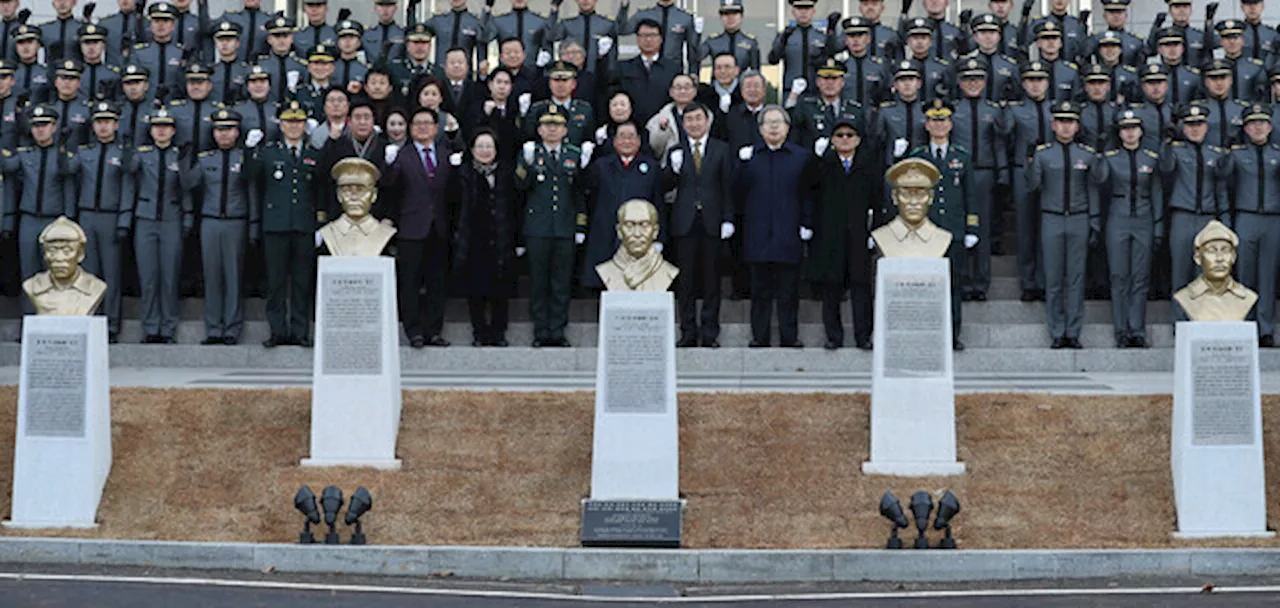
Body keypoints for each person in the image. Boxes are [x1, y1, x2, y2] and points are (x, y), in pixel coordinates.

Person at [734, 105, 811, 348]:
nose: (774, 127)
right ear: (760, 129)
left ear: (788, 128)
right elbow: (737, 191)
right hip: (758, 233)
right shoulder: (750, 156)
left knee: (789, 291)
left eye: (779, 122)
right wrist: (742, 165)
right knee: (760, 292)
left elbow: (808, 193)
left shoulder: (800, 156)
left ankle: (789, 336)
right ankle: (760, 337)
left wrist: (806, 223)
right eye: (769, 123)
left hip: (788, 231)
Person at [380, 107, 458, 348]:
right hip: (411, 227)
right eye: (417, 123)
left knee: (437, 282)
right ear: (411, 128)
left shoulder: (447, 155)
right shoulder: (401, 155)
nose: (422, 127)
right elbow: (388, 188)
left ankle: (434, 331)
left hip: (439, 227)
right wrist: (388, 165)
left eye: (427, 123)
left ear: (436, 128)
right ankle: (413, 331)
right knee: (410, 282)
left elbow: (454, 194)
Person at [182, 109, 260, 345]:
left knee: (233, 276)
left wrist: (253, 224)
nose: (224, 135)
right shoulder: (206, 158)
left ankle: (232, 329)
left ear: (237, 132)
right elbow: (189, 184)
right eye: (219, 130)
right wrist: (185, 160)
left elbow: (252, 193)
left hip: (236, 222)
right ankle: (214, 328)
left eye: (228, 130)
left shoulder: (244, 157)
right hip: (211, 221)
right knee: (212, 276)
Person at [246, 100, 319, 348]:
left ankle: (300, 331)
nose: (294, 126)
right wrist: (249, 150)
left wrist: (319, 223)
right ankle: (277, 330)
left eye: (298, 122)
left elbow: (320, 191)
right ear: (281, 124)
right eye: (289, 121)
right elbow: (248, 176)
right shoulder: (268, 152)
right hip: (275, 226)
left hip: (303, 226)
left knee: (302, 283)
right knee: (275, 282)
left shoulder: (312, 154)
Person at [1028, 101, 1099, 349]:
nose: (1066, 127)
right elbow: (1033, 187)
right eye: (1061, 122)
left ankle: (1074, 331)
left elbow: (1094, 189)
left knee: (1076, 279)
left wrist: (1094, 222)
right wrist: (1030, 163)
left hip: (1079, 217)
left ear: (1077, 125)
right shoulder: (1043, 153)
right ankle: (1057, 330)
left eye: (1070, 122)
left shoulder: (1087, 154)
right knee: (1054, 277)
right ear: (1053, 124)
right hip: (1052, 217)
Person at [515, 105, 585, 347]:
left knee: (561, 282)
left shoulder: (574, 154)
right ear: (539, 129)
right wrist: (527, 165)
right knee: (538, 281)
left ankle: (558, 331)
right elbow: (519, 187)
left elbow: (579, 194)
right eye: (547, 125)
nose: (552, 130)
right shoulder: (531, 152)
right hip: (537, 229)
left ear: (565, 130)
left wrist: (580, 226)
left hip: (564, 228)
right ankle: (540, 331)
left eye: (557, 125)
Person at [910, 99, 978, 350]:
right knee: (924, 285)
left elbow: (970, 194)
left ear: (950, 124)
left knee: (952, 285)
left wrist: (972, 227)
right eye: (934, 120)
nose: (939, 125)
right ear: (926, 125)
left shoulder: (961, 156)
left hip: (953, 230)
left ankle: (952, 335)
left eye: (943, 120)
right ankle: (925, 334)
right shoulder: (918, 156)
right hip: (925, 230)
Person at [661, 103, 730, 347]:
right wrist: (673, 169)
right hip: (684, 222)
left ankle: (710, 333)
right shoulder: (676, 151)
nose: (694, 124)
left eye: (698, 119)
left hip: (712, 221)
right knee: (686, 281)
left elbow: (727, 187)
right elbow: (664, 186)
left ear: (707, 121)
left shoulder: (722, 149)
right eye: (689, 120)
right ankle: (687, 331)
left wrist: (728, 219)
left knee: (712, 280)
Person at [807, 114, 877, 351]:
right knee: (831, 287)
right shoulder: (823, 163)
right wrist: (816, 159)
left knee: (861, 287)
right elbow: (809, 192)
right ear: (832, 140)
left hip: (859, 234)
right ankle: (833, 336)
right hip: (830, 235)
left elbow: (879, 200)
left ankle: (863, 336)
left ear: (858, 139)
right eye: (839, 135)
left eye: (850, 135)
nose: (845, 139)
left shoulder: (868, 164)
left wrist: (874, 232)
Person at [121, 107, 190, 344]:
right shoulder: (143, 154)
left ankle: (168, 327)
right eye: (156, 127)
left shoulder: (178, 154)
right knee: (148, 276)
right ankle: (151, 326)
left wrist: (188, 218)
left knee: (169, 276)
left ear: (173, 130)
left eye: (166, 127)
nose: (161, 131)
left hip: (172, 218)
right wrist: (130, 146)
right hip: (145, 218)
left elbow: (186, 190)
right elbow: (128, 171)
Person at [1093, 110, 1161, 348]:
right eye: (1125, 128)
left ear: (1141, 131)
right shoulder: (1111, 157)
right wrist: (1100, 155)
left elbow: (1157, 193)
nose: (1130, 132)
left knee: (1140, 278)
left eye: (1134, 128)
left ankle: (1137, 329)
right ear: (1119, 132)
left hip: (1144, 217)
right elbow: (1099, 180)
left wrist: (1159, 224)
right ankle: (1121, 329)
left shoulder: (1151, 157)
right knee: (1119, 275)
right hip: (1118, 216)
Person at [2, 105, 77, 316]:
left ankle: (52, 318)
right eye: (36, 126)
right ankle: (29, 320)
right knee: (29, 273)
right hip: (29, 219)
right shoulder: (26, 154)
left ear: (54, 127)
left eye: (44, 126)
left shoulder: (62, 155)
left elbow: (69, 184)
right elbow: (8, 167)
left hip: (54, 220)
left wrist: (68, 219)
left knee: (55, 272)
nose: (40, 130)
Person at [1161, 103, 1232, 318]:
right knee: (1181, 273)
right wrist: (1166, 143)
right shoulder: (1176, 150)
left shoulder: (1215, 153)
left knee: (1208, 274)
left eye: (1199, 124)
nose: (1195, 129)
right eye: (1190, 124)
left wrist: (1225, 221)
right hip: (1183, 215)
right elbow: (1165, 168)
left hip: (1208, 219)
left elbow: (1222, 188)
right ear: (1183, 127)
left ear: (1206, 127)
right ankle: (1180, 322)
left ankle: (1204, 320)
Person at [71, 100, 130, 342]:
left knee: (111, 274)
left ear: (116, 125)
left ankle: (112, 324)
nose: (103, 127)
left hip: (111, 216)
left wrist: (124, 220)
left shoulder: (122, 153)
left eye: (108, 122)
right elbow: (68, 174)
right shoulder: (85, 152)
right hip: (87, 215)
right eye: (99, 122)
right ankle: (89, 320)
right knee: (87, 274)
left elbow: (128, 187)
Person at [453, 128, 517, 347]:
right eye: (480, 146)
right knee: (476, 288)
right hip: (473, 238)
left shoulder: (506, 172)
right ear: (472, 149)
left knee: (501, 288)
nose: (485, 150)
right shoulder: (463, 172)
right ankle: (479, 332)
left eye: (489, 146)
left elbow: (514, 205)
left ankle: (499, 332)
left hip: (501, 235)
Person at [950, 58, 1006, 302]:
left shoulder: (994, 110)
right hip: (957, 173)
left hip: (984, 172)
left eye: (977, 79)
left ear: (984, 82)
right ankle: (961, 280)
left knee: (981, 228)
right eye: (967, 79)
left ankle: (981, 282)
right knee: (959, 228)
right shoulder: (953, 110)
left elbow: (1000, 143)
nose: (973, 84)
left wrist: (1001, 171)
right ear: (960, 83)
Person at [581, 121, 661, 289]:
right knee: (606, 282)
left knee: (639, 284)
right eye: (622, 137)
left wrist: (659, 238)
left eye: (631, 137)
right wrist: (584, 166)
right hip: (606, 233)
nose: (627, 141)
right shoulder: (601, 166)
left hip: (640, 235)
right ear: (615, 141)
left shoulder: (651, 167)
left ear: (639, 141)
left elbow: (658, 204)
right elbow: (585, 191)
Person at [1226, 103, 1280, 346]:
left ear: (1270, 126)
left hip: (1273, 217)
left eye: (1262, 123)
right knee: (1244, 274)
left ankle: (1265, 328)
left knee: (1268, 275)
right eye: (1253, 124)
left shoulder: (1277, 154)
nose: (1258, 128)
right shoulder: (1236, 154)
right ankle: (1245, 324)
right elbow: (1225, 183)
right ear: (1245, 128)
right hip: (1245, 216)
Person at [1004, 60, 1052, 301]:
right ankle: (1028, 281)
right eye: (1031, 80)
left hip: (1052, 174)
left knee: (1046, 228)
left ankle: (1045, 280)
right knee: (1025, 228)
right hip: (1022, 171)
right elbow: (1005, 135)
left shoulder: (1056, 109)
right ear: (1023, 84)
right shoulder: (1015, 109)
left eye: (1040, 80)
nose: (1036, 85)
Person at [317, 96, 389, 220]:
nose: (362, 122)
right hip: (340, 216)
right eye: (357, 117)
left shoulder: (384, 147)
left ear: (373, 121)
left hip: (375, 216)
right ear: (349, 121)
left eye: (367, 117)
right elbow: (321, 176)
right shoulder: (336, 145)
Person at [612, 18, 679, 126]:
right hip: (632, 129)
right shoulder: (623, 67)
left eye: (653, 35)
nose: (648, 40)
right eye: (643, 35)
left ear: (661, 39)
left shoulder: (673, 68)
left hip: (663, 127)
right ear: (637, 39)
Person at [790, 59, 860, 150]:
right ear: (818, 82)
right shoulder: (805, 108)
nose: (830, 83)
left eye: (834, 78)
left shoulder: (854, 109)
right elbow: (795, 139)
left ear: (842, 82)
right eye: (825, 78)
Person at [768, 0, 829, 100]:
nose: (803, 12)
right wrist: (782, 41)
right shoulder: (785, 35)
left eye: (807, 8)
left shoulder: (821, 37)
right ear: (793, 11)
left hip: (816, 92)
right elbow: (773, 59)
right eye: (799, 8)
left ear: (813, 11)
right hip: (790, 91)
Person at [618, 0, 699, 72]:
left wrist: (693, 72)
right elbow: (622, 30)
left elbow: (692, 49)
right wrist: (624, 9)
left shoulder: (685, 18)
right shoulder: (644, 15)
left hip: (673, 69)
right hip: (647, 68)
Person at [526, 61, 594, 145]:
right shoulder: (538, 109)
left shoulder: (584, 109)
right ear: (550, 84)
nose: (560, 85)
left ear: (574, 84)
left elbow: (589, 138)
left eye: (565, 80)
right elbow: (530, 137)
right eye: (556, 80)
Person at [548, 0, 619, 77]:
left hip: (599, 76)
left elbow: (613, 55)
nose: (585, 1)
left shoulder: (607, 25)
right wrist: (554, 10)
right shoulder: (568, 24)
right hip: (573, 74)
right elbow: (551, 36)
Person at [131, 3, 187, 97]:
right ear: (151, 25)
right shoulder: (139, 53)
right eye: (156, 21)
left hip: (174, 105)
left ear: (173, 26)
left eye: (165, 21)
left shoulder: (182, 53)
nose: (161, 25)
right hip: (147, 105)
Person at [483, 0, 552, 69]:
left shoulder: (540, 22)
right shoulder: (499, 21)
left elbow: (547, 50)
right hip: (506, 72)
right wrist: (487, 11)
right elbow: (484, 38)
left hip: (532, 72)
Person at [1198, 59, 1249, 149]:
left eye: (1223, 78)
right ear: (1206, 82)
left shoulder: (1242, 109)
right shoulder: (1198, 108)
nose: (1219, 83)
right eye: (1213, 79)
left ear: (1231, 80)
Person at [840, 17, 888, 109]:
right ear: (846, 41)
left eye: (860, 35)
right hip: (847, 117)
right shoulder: (841, 67)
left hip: (872, 117)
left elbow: (886, 95)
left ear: (868, 39)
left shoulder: (880, 67)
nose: (856, 40)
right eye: (851, 36)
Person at [646, 72, 696, 160]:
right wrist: (662, 130)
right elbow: (655, 149)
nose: (683, 91)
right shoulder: (658, 119)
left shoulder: (707, 116)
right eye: (678, 87)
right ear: (671, 92)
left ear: (694, 91)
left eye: (687, 87)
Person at [259, 15, 308, 104]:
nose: (281, 41)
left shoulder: (301, 65)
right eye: (277, 36)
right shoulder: (261, 64)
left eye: (285, 36)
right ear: (269, 39)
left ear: (292, 39)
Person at [425, 0, 486, 71]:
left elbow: (481, 54)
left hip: (464, 74)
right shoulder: (438, 21)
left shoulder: (475, 22)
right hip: (440, 73)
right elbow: (416, 32)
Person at [699, 0, 759, 71]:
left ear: (741, 16)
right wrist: (696, 35)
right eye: (726, 14)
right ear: (720, 17)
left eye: (735, 13)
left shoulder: (750, 42)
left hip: (742, 80)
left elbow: (756, 72)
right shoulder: (712, 41)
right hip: (718, 81)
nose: (730, 17)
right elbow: (697, 56)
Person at [231, 65, 281, 143]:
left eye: (262, 81)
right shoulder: (237, 110)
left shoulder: (278, 109)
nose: (258, 85)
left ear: (269, 86)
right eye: (253, 82)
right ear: (247, 86)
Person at [77, 24, 120, 101]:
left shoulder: (113, 74)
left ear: (103, 45)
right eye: (87, 43)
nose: (91, 47)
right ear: (81, 46)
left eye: (95, 42)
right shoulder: (75, 73)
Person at [210, 21, 249, 105]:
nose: (224, 44)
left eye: (229, 40)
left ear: (237, 44)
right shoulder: (210, 71)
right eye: (221, 40)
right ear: (215, 44)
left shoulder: (246, 70)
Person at [362, 0, 405, 65]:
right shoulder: (366, 35)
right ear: (375, 8)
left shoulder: (403, 34)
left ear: (395, 8)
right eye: (381, 5)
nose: (385, 9)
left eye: (389, 5)